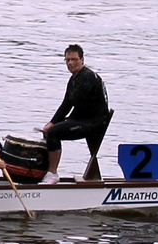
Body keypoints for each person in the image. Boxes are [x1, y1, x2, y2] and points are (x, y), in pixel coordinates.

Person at [42, 44, 111, 184]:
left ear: (82, 60)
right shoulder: (74, 79)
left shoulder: (88, 77)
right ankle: (45, 171)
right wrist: (51, 122)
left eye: (74, 59)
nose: (70, 63)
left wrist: (58, 125)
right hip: (83, 119)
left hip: (93, 123)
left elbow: (80, 107)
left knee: (53, 133)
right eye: (67, 60)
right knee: (49, 130)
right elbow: (66, 104)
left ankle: (53, 174)